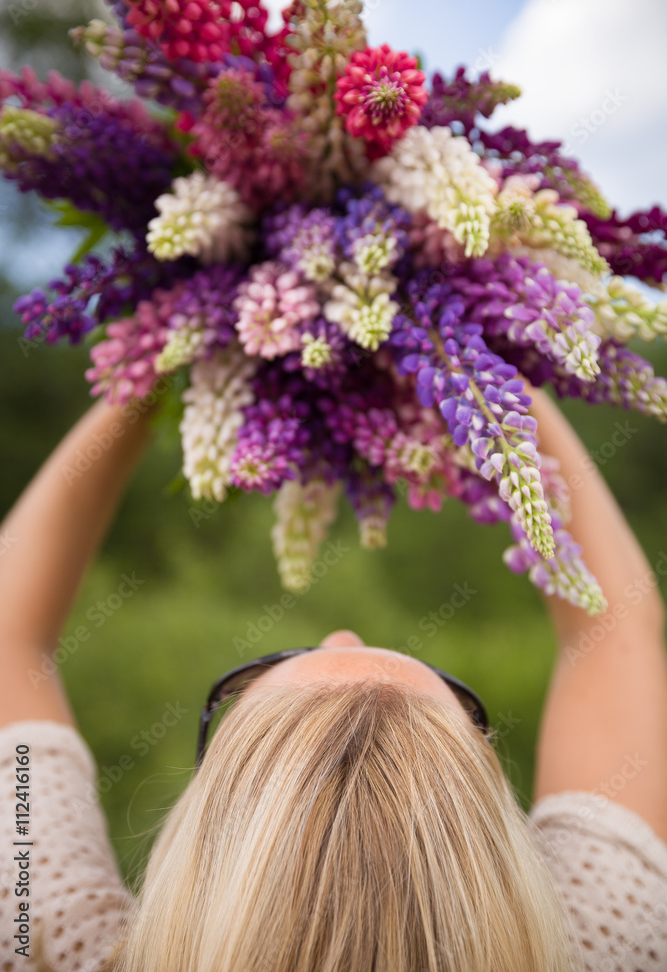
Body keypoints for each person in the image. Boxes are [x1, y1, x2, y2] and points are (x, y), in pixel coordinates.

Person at [0, 383, 666, 972]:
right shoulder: (593, 946)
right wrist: (478, 372)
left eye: (267, 671)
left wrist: (164, 365)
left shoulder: (56, 938)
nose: (341, 635)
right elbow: (616, 629)